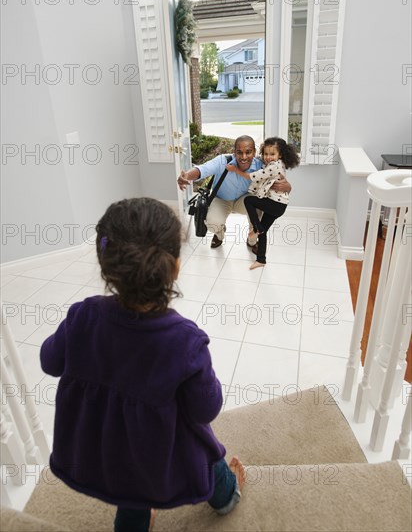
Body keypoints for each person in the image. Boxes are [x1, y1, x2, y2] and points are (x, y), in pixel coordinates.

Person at [40, 198, 246, 532]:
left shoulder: (84, 315)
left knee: (131, 490)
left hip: (109, 448)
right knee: (208, 449)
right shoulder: (185, 340)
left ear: (105, 264)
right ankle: (226, 496)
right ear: (175, 267)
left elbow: (50, 361)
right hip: (160, 448)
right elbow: (206, 409)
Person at [177, 135, 291, 248]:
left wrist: (288, 187)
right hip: (222, 199)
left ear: (255, 152)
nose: (244, 157)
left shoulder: (261, 165)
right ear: (234, 152)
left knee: (258, 209)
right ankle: (219, 234)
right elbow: (201, 169)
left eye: (248, 152)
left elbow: (277, 178)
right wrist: (187, 175)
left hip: (244, 200)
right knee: (213, 223)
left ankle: (252, 241)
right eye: (239, 152)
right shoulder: (222, 161)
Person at [226, 137, 300, 270]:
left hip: (275, 204)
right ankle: (261, 260)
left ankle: (256, 228)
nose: (268, 157)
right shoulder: (277, 163)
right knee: (263, 232)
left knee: (248, 200)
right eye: (266, 154)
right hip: (279, 205)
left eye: (272, 154)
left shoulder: (274, 166)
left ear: (280, 155)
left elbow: (252, 176)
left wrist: (235, 170)